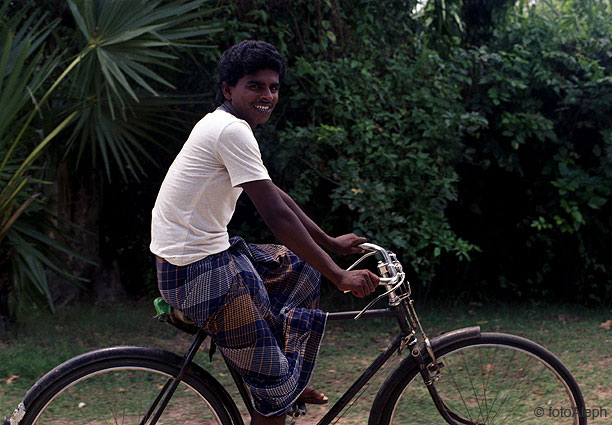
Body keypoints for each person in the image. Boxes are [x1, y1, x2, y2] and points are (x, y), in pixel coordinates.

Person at [150, 40, 379, 425]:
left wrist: (331, 245)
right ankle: (276, 385)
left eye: (273, 87)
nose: (267, 96)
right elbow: (275, 216)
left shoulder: (225, 125)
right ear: (228, 89)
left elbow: (277, 196)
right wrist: (339, 276)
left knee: (302, 269)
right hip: (195, 274)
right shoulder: (230, 131)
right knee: (274, 396)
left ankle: (279, 375)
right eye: (255, 86)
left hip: (202, 260)